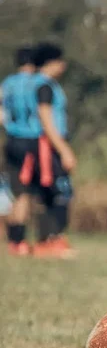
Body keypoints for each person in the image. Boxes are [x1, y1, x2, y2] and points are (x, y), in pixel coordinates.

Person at [31, 42, 78, 258]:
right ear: (51, 63)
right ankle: (53, 239)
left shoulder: (33, 83)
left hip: (44, 144)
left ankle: (49, 240)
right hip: (48, 145)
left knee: (49, 194)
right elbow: (46, 119)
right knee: (60, 193)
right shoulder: (45, 86)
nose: (63, 65)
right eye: (60, 61)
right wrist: (63, 149)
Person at [0, 46, 38, 255]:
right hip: (28, 140)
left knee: (15, 192)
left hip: (10, 140)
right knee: (25, 193)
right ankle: (19, 240)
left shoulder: (7, 84)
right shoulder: (36, 83)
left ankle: (13, 241)